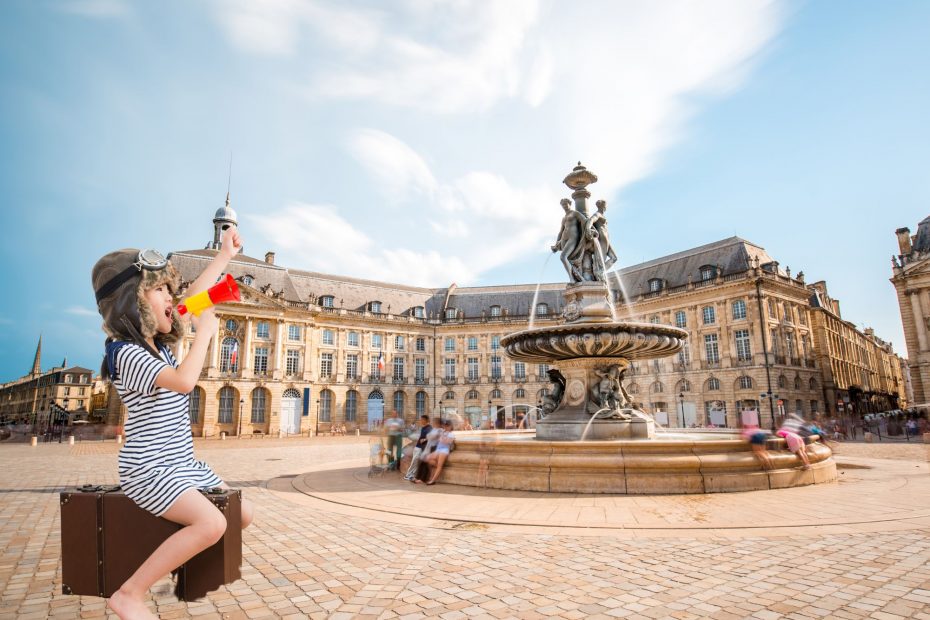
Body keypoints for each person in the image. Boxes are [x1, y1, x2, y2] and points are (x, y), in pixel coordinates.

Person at [92, 227, 254, 620]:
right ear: (134, 301)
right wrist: (206, 334)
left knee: (242, 513)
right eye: (162, 290)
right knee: (212, 522)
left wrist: (224, 258)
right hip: (150, 468)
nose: (172, 298)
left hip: (183, 465)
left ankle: (169, 555)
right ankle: (130, 592)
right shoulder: (126, 353)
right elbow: (184, 383)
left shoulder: (157, 347)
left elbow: (196, 296)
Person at [424, 420, 456, 485]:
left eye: (447, 425)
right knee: (427, 458)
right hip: (438, 450)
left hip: (444, 450)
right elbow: (439, 439)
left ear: (450, 426)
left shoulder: (451, 434)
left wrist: (442, 437)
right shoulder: (443, 432)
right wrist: (442, 437)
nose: (446, 427)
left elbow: (447, 442)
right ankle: (440, 468)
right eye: (445, 425)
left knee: (439, 465)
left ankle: (433, 480)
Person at [404, 415, 432, 482]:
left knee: (415, 461)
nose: (421, 421)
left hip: (420, 447)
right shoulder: (423, 428)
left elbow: (430, 436)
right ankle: (409, 475)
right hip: (418, 447)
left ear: (426, 420)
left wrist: (425, 439)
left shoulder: (429, 428)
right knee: (415, 461)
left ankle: (410, 475)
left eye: (422, 419)